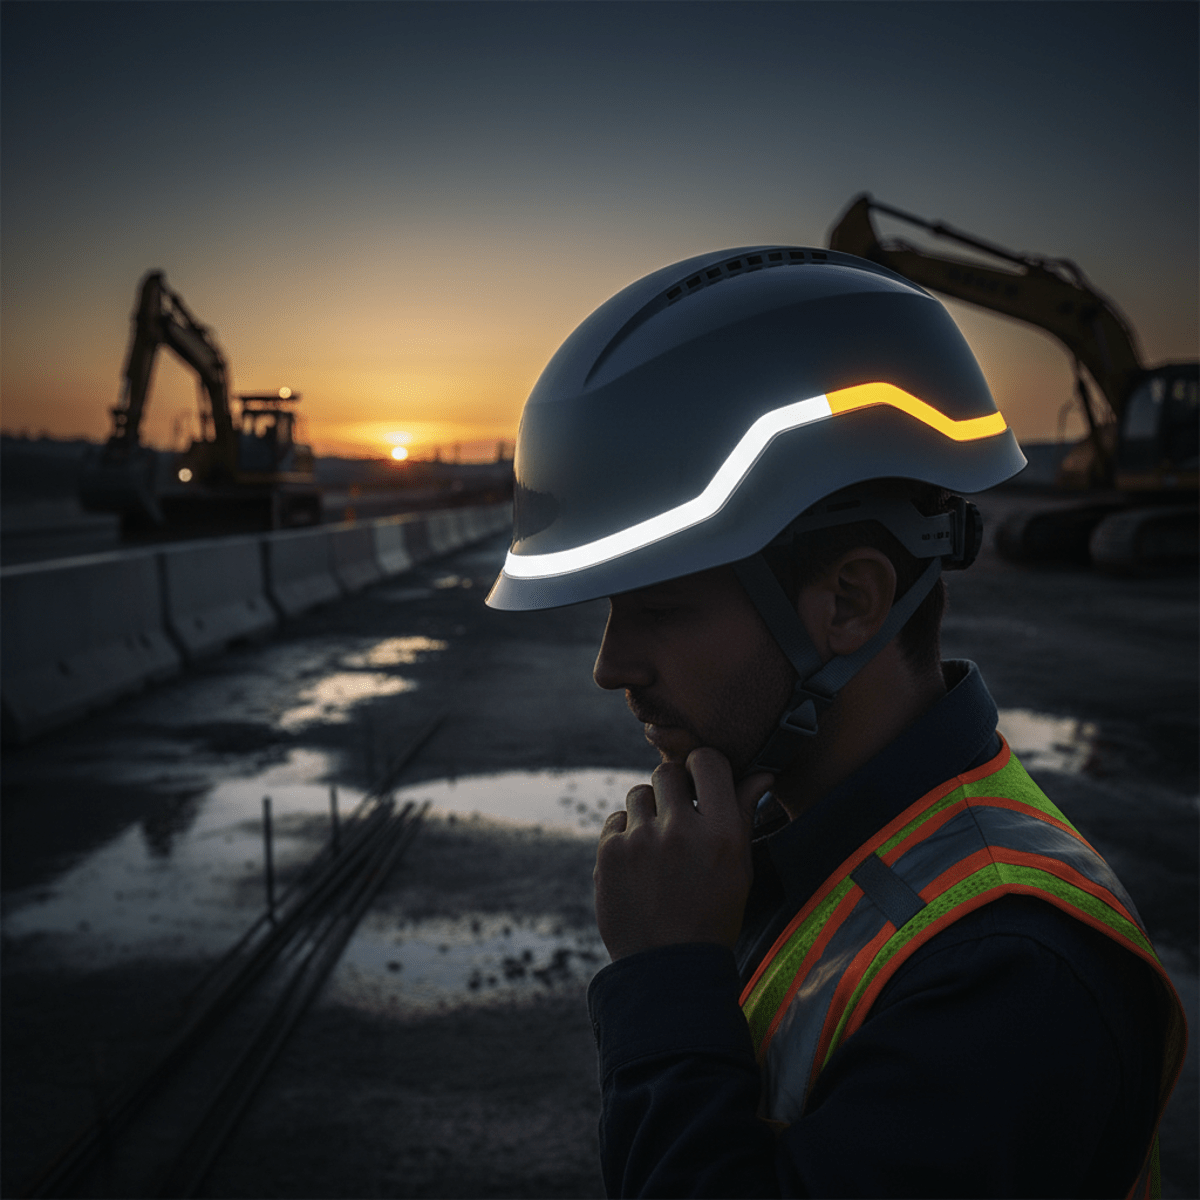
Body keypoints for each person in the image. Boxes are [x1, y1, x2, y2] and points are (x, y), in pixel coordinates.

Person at [486, 246, 1187, 1198]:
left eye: (656, 609)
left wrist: (668, 980)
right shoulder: (804, 840)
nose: (611, 666)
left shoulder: (1006, 977)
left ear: (851, 603)